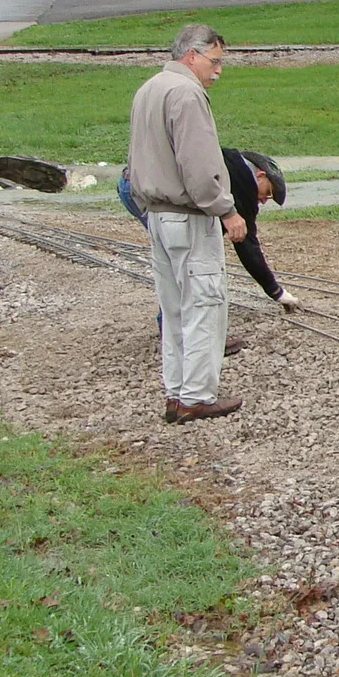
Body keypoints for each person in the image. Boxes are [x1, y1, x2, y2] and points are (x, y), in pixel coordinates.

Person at [127, 23, 248, 422]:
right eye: (214, 61)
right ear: (192, 55)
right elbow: (197, 164)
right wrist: (225, 209)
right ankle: (196, 395)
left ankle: (177, 392)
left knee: (174, 306)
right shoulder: (186, 93)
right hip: (189, 216)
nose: (218, 71)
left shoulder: (149, 88)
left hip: (157, 215)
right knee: (204, 303)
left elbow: (135, 160)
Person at [117, 148, 302, 352]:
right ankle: (192, 338)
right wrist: (276, 292)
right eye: (268, 192)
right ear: (260, 174)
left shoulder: (231, 162)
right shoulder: (242, 182)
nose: (264, 200)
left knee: (177, 259)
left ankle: (175, 333)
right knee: (189, 260)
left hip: (136, 183)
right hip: (151, 192)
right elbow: (247, 245)